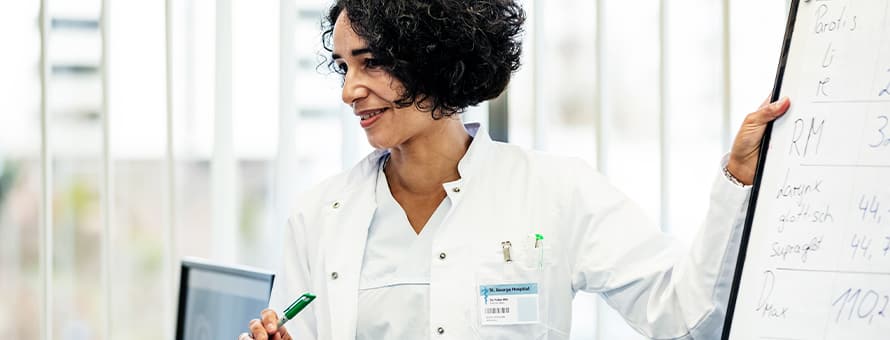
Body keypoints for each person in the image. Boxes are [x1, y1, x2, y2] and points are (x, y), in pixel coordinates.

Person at [240, 0, 791, 339]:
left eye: (371, 62)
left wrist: (738, 177)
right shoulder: (319, 215)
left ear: (435, 56)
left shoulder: (556, 193)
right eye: (343, 66)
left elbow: (688, 319)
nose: (348, 90)